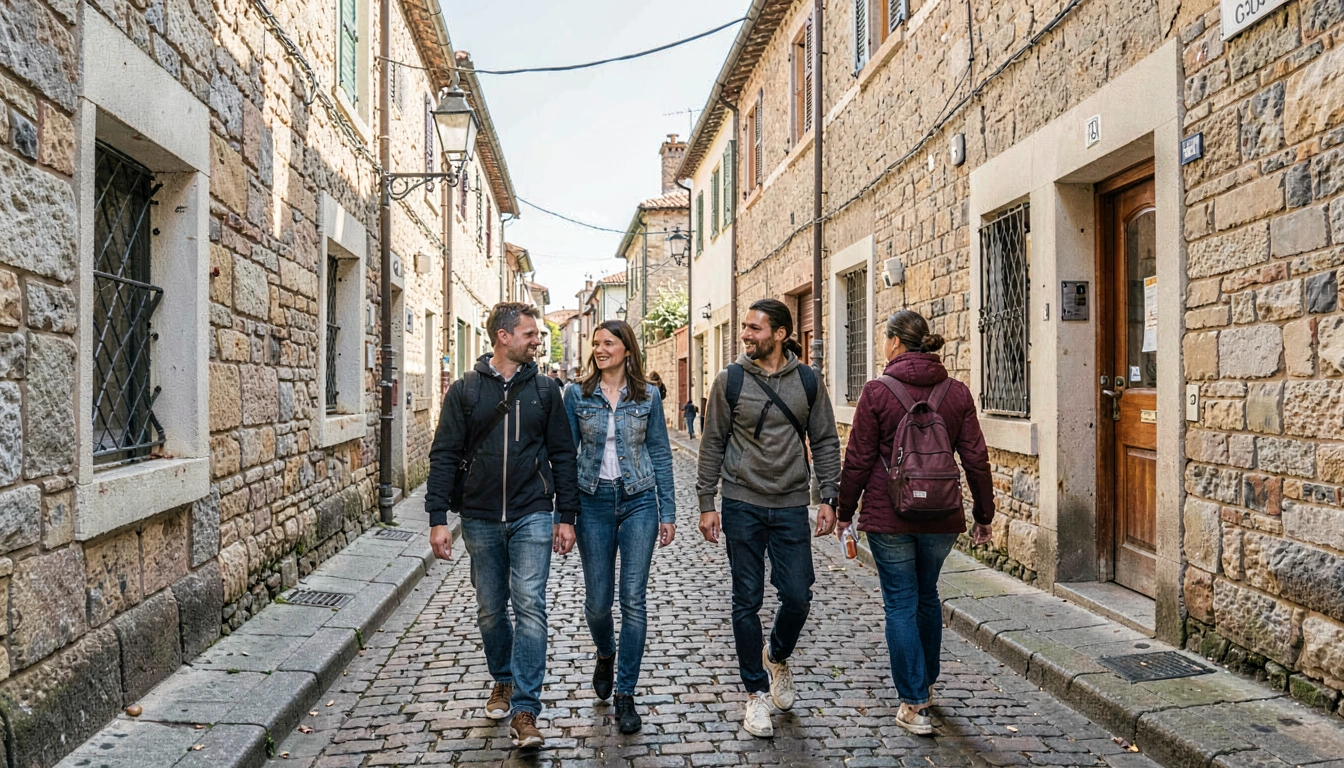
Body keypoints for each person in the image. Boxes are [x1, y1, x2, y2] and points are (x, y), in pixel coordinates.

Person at [424, 302, 580, 749]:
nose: (537, 340)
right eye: (530, 333)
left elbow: (563, 455)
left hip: (533, 511)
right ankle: (503, 679)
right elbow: (445, 455)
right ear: (503, 336)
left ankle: (527, 709)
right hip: (479, 516)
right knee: (491, 608)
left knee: (530, 603)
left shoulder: (548, 391)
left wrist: (565, 516)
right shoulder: (466, 391)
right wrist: (438, 518)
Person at [836, 309, 995, 736]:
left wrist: (844, 511)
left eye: (883, 339)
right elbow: (976, 459)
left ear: (893, 342)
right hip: (942, 517)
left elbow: (858, 459)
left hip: (890, 518)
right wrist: (984, 515)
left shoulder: (876, 392)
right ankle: (925, 684)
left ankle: (914, 702)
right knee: (927, 596)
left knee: (900, 603)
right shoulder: (957, 393)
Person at [696, 298, 842, 739]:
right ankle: (755, 693)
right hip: (741, 502)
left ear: (779, 333)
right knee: (747, 599)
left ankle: (776, 657)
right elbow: (712, 441)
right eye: (744, 327)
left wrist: (829, 497)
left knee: (797, 594)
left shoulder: (808, 382)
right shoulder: (731, 380)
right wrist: (707, 502)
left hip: (791, 503)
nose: (745, 335)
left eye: (754, 328)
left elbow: (826, 440)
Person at [563, 320, 677, 734]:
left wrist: (668, 512)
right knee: (597, 603)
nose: (600, 349)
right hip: (592, 502)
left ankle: (626, 693)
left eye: (608, 343)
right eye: (596, 343)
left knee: (634, 600)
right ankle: (605, 651)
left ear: (627, 349)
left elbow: (660, 453)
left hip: (639, 500)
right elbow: (564, 456)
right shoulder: (576, 394)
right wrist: (566, 515)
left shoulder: (647, 395)